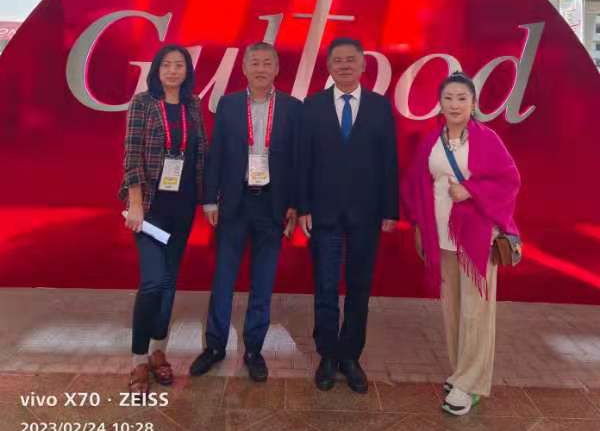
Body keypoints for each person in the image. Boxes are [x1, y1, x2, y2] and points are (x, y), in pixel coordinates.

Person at [403, 72, 521, 416]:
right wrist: (419, 226)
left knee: (475, 312)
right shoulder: (431, 141)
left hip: (477, 239)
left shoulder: (487, 139)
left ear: (473, 103)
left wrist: (470, 190)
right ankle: (461, 373)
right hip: (441, 237)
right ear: (440, 104)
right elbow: (415, 184)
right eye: (449, 98)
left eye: (462, 98)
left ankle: (470, 384)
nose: (455, 105)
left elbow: (510, 180)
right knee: (452, 309)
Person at [189, 42, 301, 382]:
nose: (261, 68)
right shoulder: (229, 104)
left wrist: (295, 204)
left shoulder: (292, 108)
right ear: (244, 68)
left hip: (273, 205)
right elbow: (217, 153)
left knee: (263, 281)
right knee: (223, 278)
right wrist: (210, 200)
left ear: (277, 69)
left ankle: (253, 349)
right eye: (255, 63)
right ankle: (214, 346)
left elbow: (298, 161)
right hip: (235, 203)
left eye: (267, 63)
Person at [298, 37, 399, 394]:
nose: (344, 65)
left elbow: (389, 161)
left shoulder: (379, 107)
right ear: (328, 66)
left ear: (363, 65)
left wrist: (390, 210)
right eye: (337, 60)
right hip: (323, 212)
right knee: (325, 287)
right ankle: (327, 355)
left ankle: (351, 356)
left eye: (350, 60)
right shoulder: (312, 106)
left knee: (359, 287)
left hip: (366, 214)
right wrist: (303, 207)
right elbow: (302, 161)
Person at [120, 44, 207, 394]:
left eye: (179, 65)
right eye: (166, 65)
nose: (173, 70)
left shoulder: (192, 104)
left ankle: (159, 351)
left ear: (187, 71)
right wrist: (135, 203)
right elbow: (131, 154)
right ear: (156, 70)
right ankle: (138, 359)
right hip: (150, 207)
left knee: (169, 283)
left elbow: (200, 153)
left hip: (182, 206)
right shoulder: (143, 103)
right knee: (153, 283)